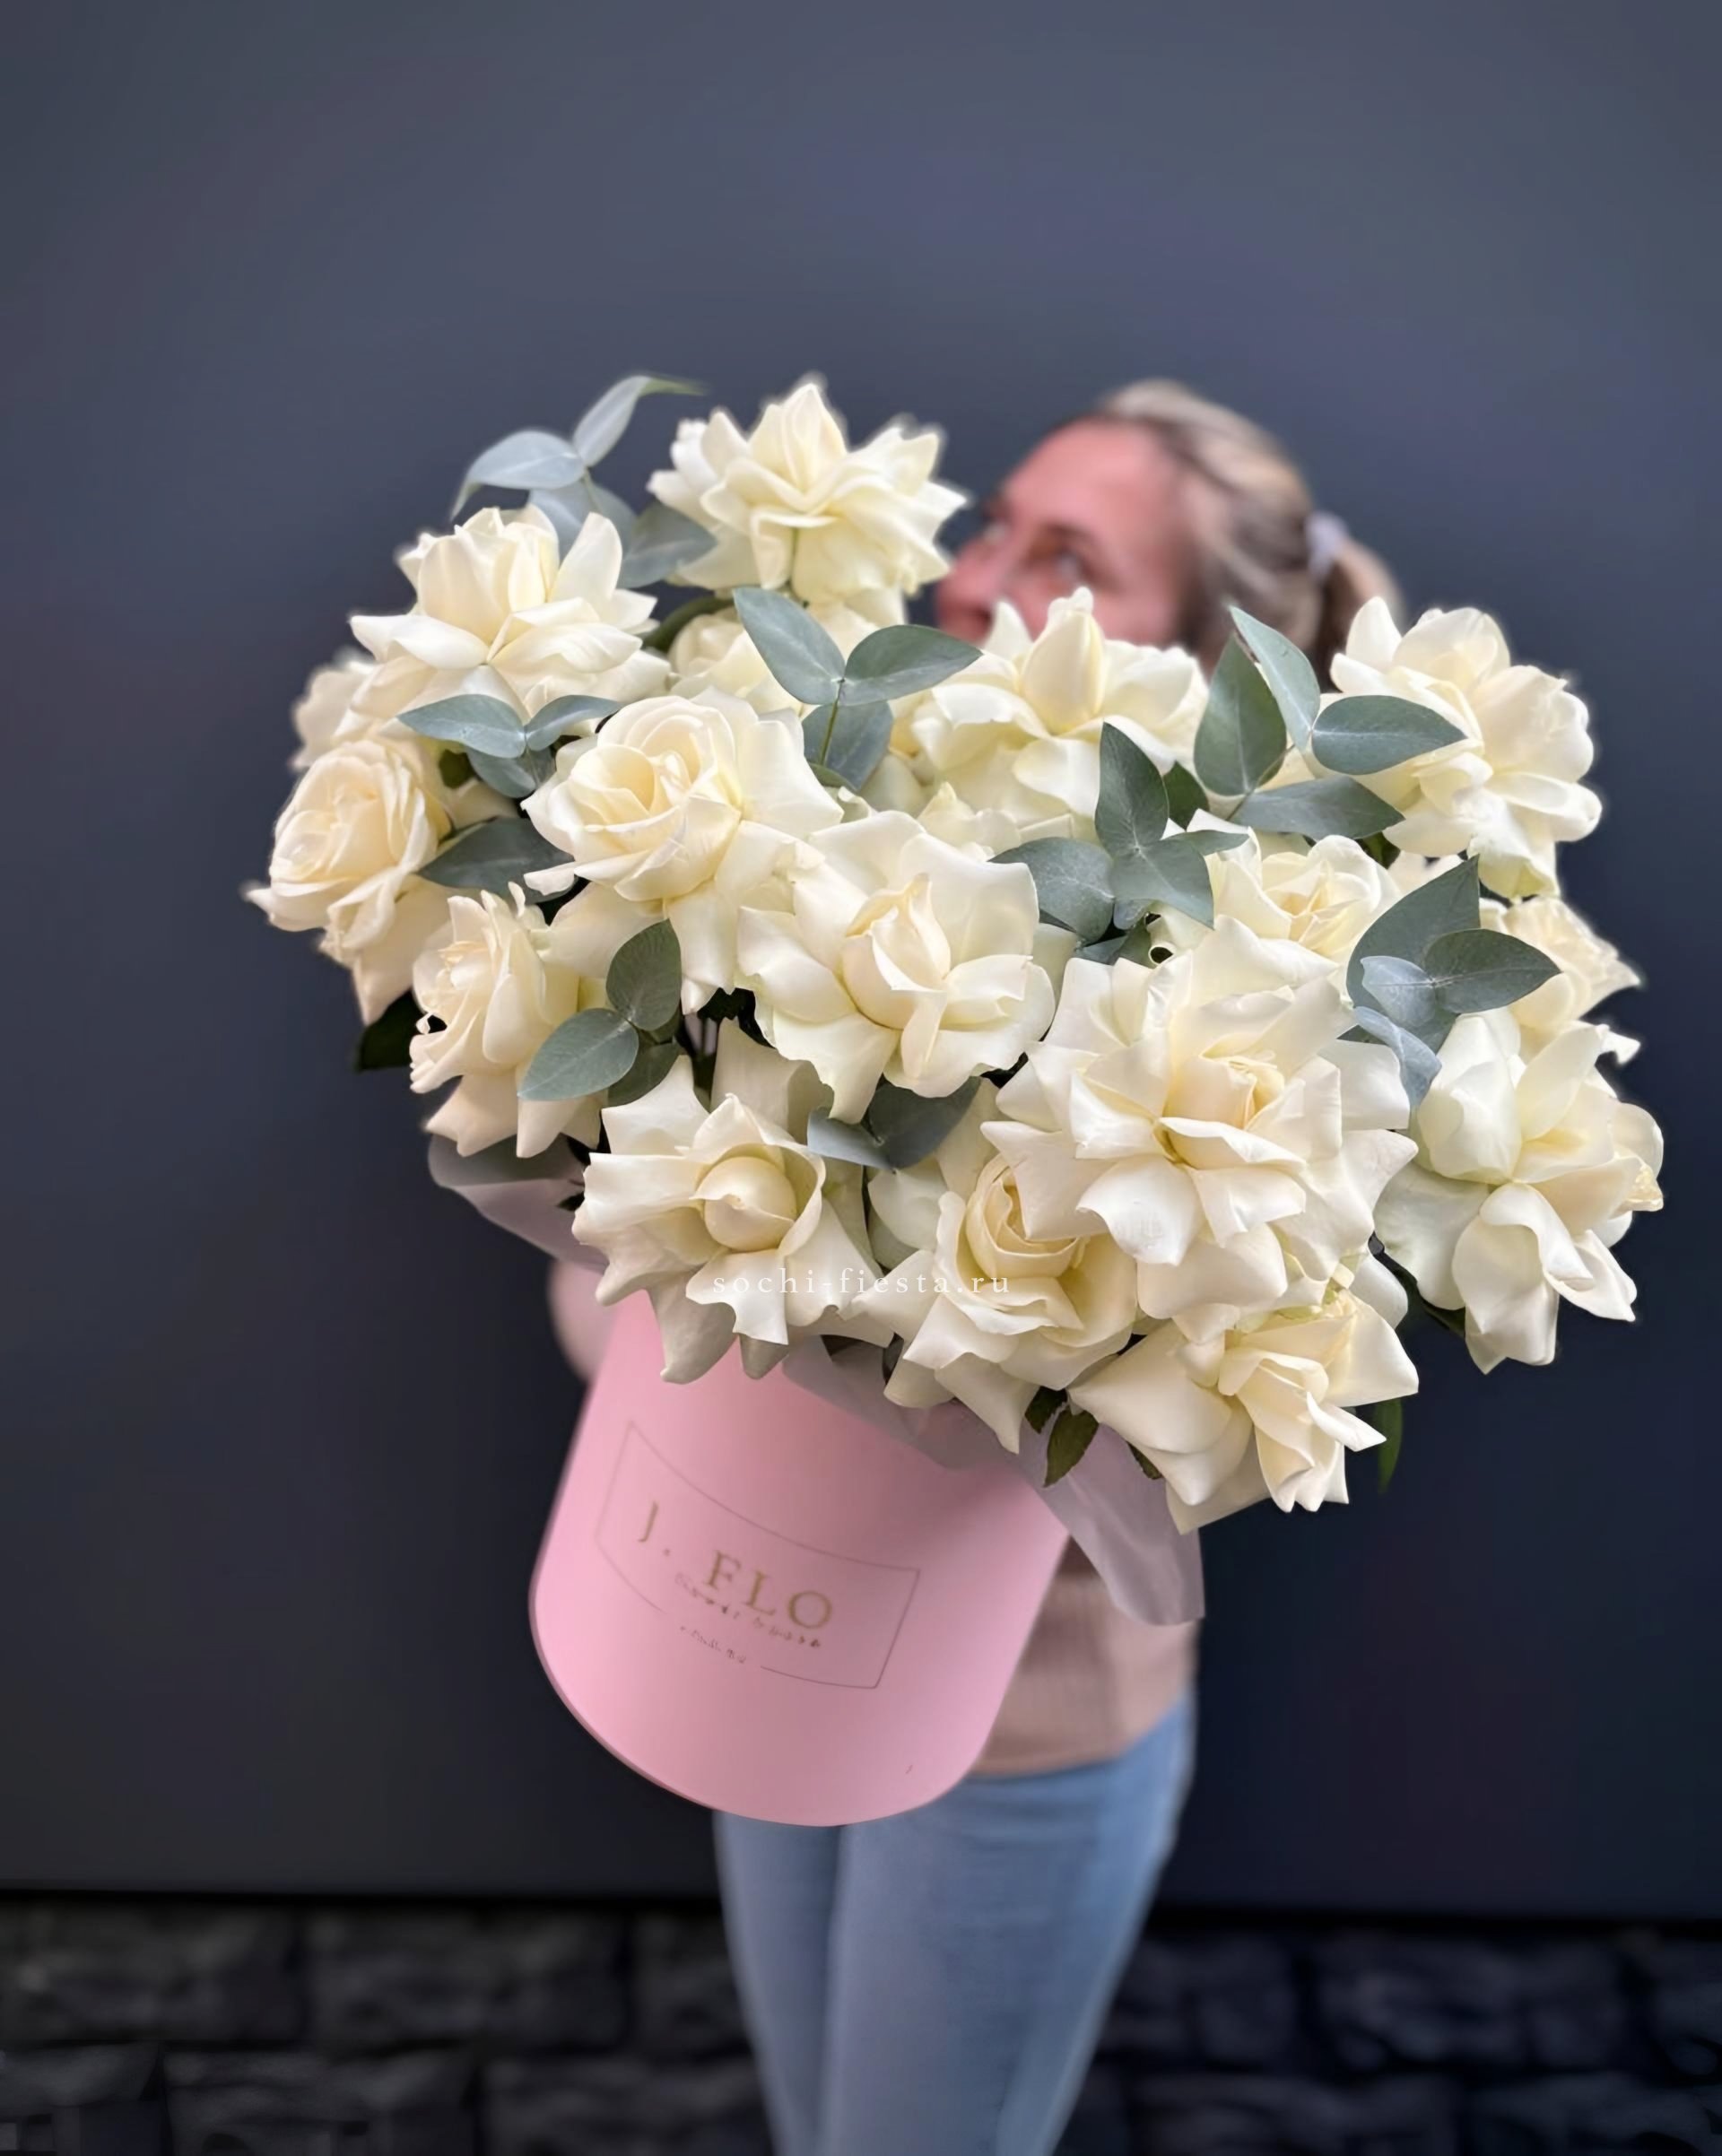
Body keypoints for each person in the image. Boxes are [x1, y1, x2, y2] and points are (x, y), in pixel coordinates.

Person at [552, 380, 1401, 2156]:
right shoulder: (834, 835)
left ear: (1213, 659)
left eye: (1068, 558)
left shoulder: (1251, 995)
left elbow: (1199, 1439)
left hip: (1021, 1734)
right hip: (763, 1644)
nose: (978, 573)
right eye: (998, 522)